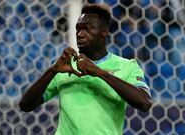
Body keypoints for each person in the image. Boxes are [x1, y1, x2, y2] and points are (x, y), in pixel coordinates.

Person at [19, 3, 152, 135]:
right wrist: (52, 70)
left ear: (104, 31)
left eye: (87, 29)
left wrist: (100, 73)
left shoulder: (127, 66)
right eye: (78, 29)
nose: (80, 34)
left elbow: (145, 103)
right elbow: (25, 105)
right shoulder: (64, 66)